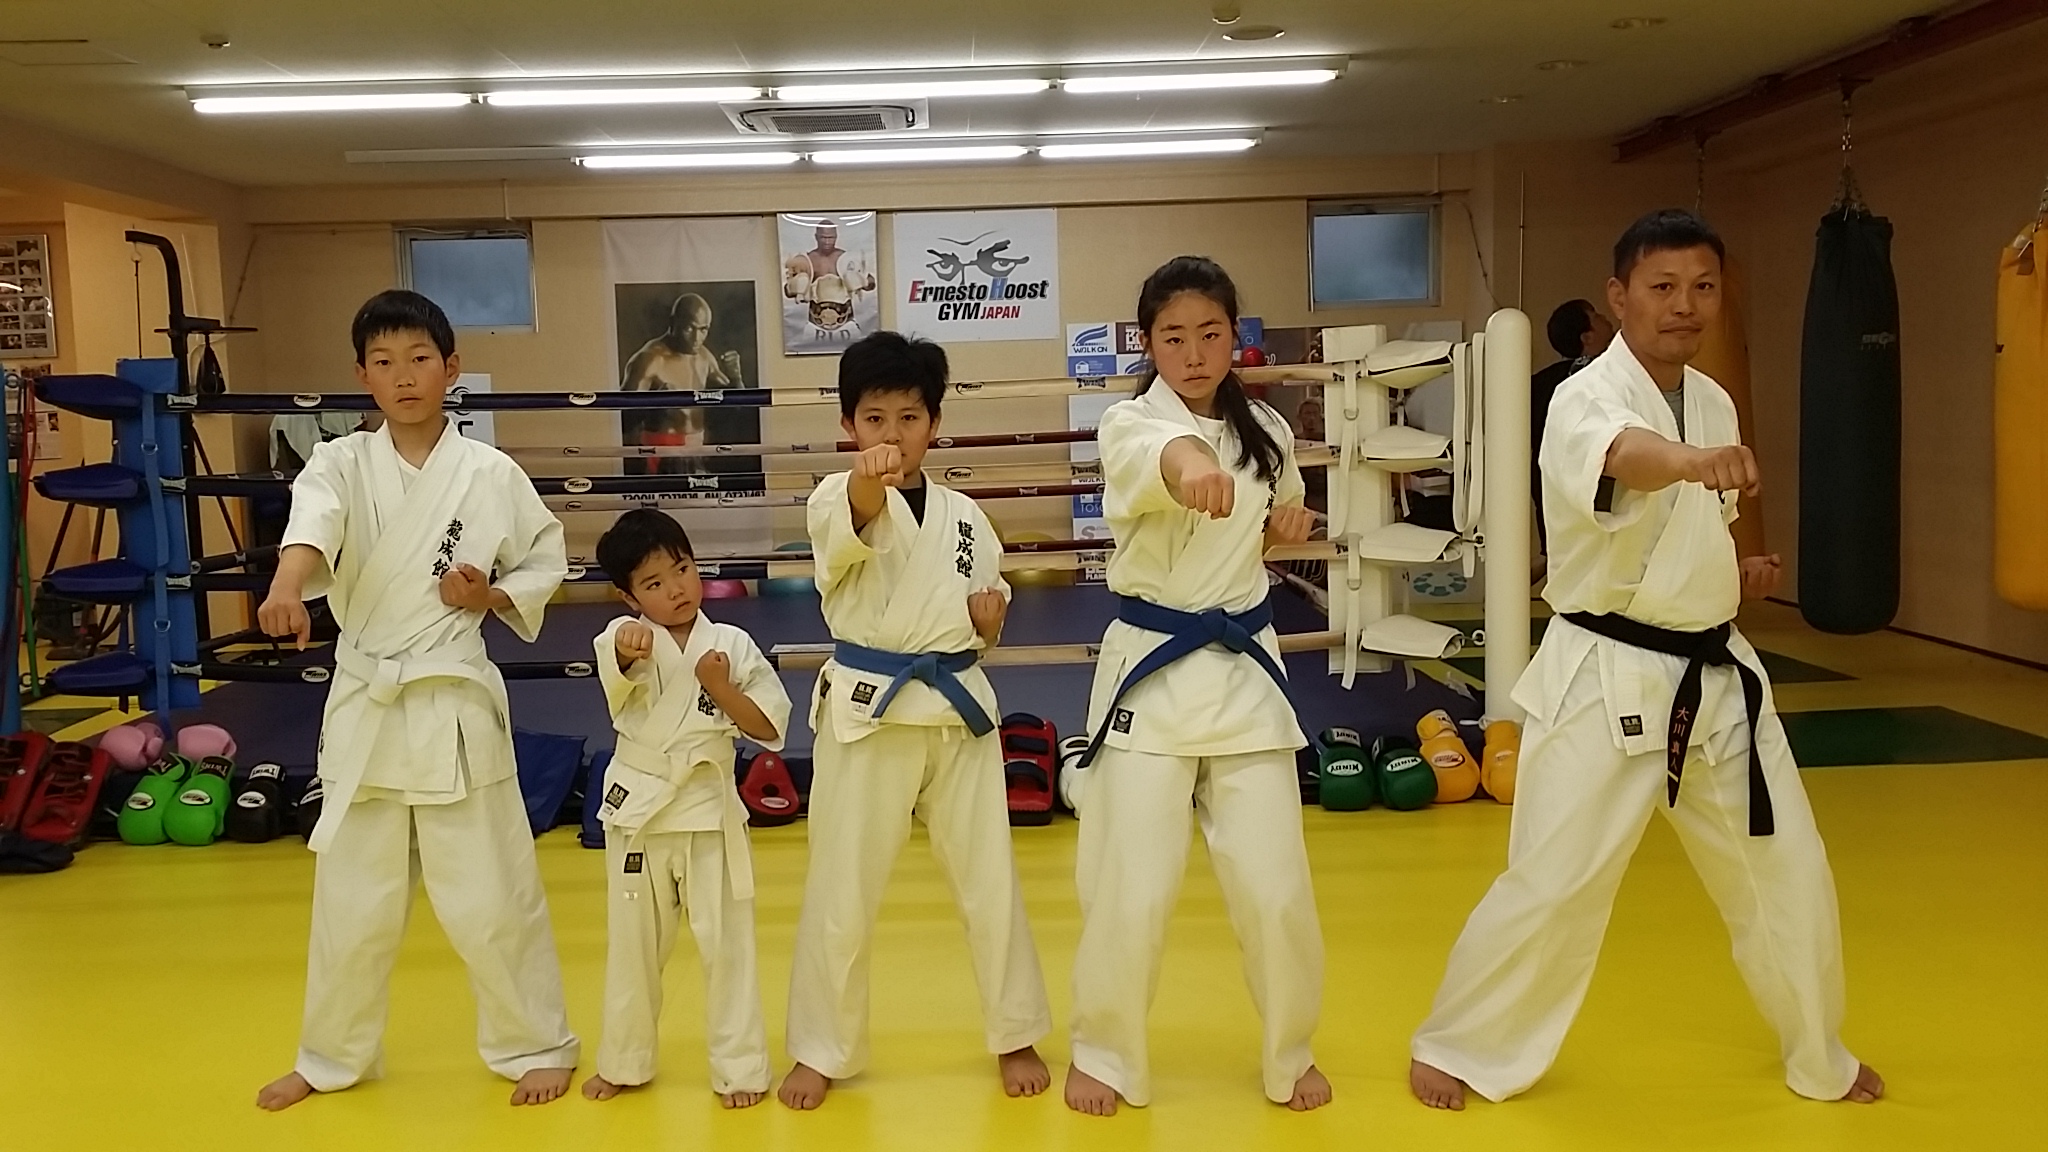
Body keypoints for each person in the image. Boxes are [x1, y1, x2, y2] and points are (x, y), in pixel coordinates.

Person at [1407, 209, 1881, 1110]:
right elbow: (1631, 459)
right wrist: (1692, 461)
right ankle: (1460, 1045)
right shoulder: (1583, 399)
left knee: (1788, 870)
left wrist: (1732, 570)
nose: (1684, 305)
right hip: (1604, 676)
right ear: (1619, 296)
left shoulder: (1713, 399)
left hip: (1716, 673)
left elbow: (1687, 529)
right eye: (1663, 287)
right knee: (1555, 880)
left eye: (1703, 287)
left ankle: (1820, 1052)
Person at [254, 290, 578, 1111]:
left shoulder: (489, 474)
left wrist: (488, 597)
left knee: (491, 893)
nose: (403, 377)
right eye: (384, 362)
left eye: (420, 359)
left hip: (450, 704)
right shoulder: (339, 464)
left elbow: (545, 560)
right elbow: (312, 528)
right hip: (368, 703)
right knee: (351, 903)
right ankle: (329, 1056)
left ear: (451, 368)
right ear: (362, 375)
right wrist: (286, 586)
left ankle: (536, 1044)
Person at [1063, 256, 1329, 1118]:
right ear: (1148, 343)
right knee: (1131, 887)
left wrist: (1285, 525)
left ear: (1234, 337)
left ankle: (1291, 1051)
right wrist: (1192, 468)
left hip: (1245, 673)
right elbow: (1169, 458)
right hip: (1154, 671)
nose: (1192, 352)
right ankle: (1105, 1053)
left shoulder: (1269, 432)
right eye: (1173, 337)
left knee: (1276, 889)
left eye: (1210, 333)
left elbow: (1272, 523)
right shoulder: (1130, 423)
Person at [778, 330, 1052, 1110]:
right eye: (874, 418)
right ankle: (821, 1048)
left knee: (991, 884)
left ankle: (1015, 1032)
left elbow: (983, 614)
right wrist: (869, 479)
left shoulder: (967, 518)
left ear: (935, 423)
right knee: (842, 891)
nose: (892, 435)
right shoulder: (838, 495)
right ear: (848, 425)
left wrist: (991, 622)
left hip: (958, 713)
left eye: (908, 417)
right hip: (870, 715)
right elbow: (859, 517)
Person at [581, 509, 792, 1108]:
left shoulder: (732, 645)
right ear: (628, 597)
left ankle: (741, 1069)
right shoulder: (624, 638)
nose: (676, 589)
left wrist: (721, 688)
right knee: (633, 946)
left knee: (729, 948)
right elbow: (619, 674)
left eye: (682, 569)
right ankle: (624, 1061)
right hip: (640, 814)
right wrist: (627, 651)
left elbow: (768, 727)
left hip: (707, 810)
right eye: (653, 583)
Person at [620, 292, 743, 475]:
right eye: (689, 328)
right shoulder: (649, 359)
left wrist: (736, 378)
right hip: (662, 454)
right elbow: (622, 421)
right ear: (673, 323)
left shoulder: (704, 356)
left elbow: (736, 407)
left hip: (696, 452)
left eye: (703, 329)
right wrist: (654, 403)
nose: (696, 338)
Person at [1531, 299, 1615, 556]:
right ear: (1587, 337)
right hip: (1598, 482)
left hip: (1550, 487)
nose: (1605, 318)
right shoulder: (1608, 376)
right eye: (1596, 315)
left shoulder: (1539, 383)